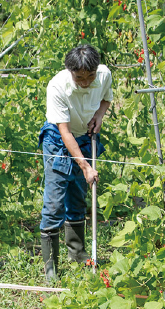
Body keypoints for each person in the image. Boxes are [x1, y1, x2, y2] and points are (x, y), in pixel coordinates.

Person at [39, 45, 112, 281]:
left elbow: (105, 100)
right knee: (55, 201)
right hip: (58, 139)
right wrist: (86, 166)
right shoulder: (58, 86)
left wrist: (99, 116)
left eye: (90, 76)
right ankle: (51, 269)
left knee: (78, 194)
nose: (85, 82)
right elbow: (64, 131)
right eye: (79, 77)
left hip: (85, 137)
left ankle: (78, 254)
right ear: (70, 71)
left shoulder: (104, 75)